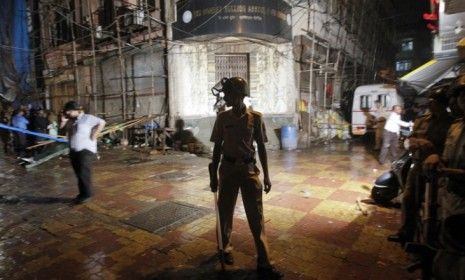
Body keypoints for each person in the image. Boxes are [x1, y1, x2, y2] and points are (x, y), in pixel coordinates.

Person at [209, 77, 283, 279]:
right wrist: (214, 175)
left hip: (249, 171)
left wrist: (267, 175)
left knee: (256, 217)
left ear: (240, 95)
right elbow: (216, 149)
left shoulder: (256, 118)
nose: (226, 97)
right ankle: (225, 249)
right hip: (228, 170)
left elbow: (262, 148)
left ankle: (264, 261)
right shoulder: (222, 118)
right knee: (224, 214)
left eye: (229, 94)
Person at [388, 87, 453, 244]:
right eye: (429, 102)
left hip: (440, 170)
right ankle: (406, 233)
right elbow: (409, 139)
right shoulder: (422, 120)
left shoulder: (451, 123)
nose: (430, 105)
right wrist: (410, 143)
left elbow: (452, 149)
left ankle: (433, 240)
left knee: (436, 205)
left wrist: (431, 147)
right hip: (418, 166)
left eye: (434, 102)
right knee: (410, 199)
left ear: (443, 104)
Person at [61, 101, 106, 204]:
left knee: (83, 173)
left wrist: (95, 134)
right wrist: (63, 122)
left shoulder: (87, 118)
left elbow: (102, 122)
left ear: (76, 110)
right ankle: (82, 194)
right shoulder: (70, 120)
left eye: (69, 111)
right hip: (74, 149)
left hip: (86, 149)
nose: (68, 113)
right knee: (78, 173)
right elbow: (64, 132)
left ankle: (87, 195)